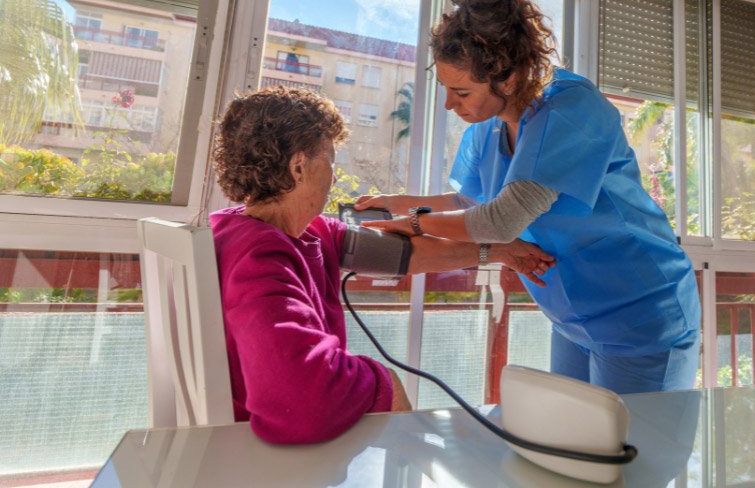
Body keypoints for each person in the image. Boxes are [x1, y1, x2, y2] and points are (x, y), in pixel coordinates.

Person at [356, 0, 701, 395]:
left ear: (508, 75)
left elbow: (500, 221)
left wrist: (416, 224)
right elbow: (473, 201)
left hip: (639, 310)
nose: (449, 105)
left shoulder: (570, 108)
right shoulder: (489, 126)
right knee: (572, 432)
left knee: (636, 439)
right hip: (571, 315)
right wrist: (403, 203)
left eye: (461, 92)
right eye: (446, 89)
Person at [209, 85, 554, 444]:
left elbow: (406, 254)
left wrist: (497, 251)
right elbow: (304, 401)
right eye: (330, 160)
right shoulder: (258, 258)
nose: (333, 176)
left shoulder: (298, 231)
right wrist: (384, 382)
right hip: (260, 448)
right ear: (298, 167)